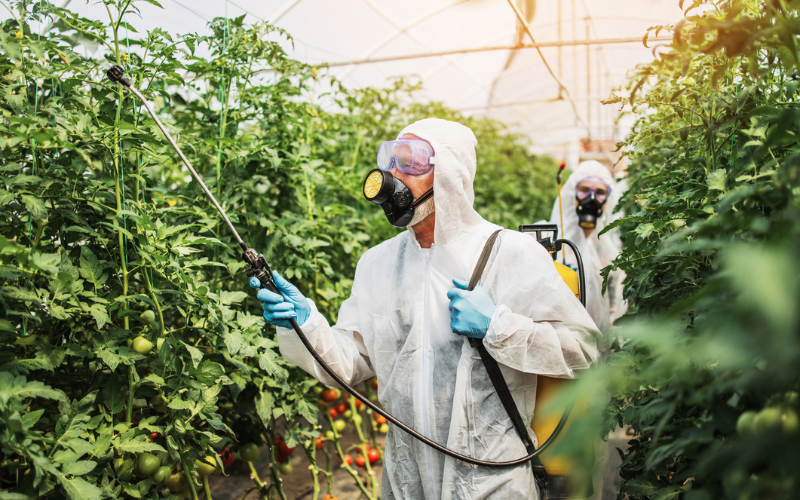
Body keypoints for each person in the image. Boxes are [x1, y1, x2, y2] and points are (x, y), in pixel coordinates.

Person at [249, 118, 601, 500]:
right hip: (407, 481)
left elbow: (583, 349)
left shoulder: (510, 253)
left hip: (492, 482)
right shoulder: (378, 264)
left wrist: (500, 327)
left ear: (452, 175)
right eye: (391, 162)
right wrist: (306, 325)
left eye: (412, 163)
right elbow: (350, 363)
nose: (394, 175)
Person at [549, 161, 622, 334]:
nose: (592, 198)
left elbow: (613, 307)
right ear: (570, 194)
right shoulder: (551, 244)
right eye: (584, 190)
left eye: (600, 192)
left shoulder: (608, 253)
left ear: (608, 200)